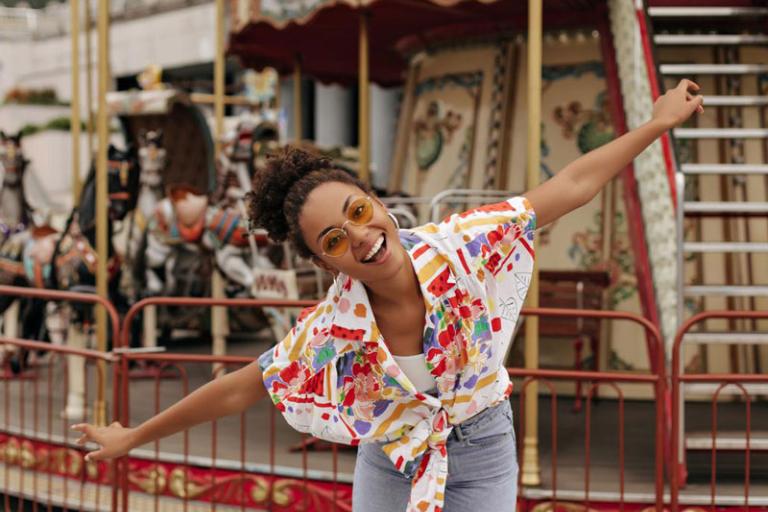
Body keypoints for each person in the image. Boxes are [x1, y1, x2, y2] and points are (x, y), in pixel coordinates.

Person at [72, 79, 704, 512]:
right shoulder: (334, 329)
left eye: (358, 210)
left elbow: (570, 184)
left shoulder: (461, 245)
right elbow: (243, 385)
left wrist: (655, 124)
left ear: (373, 199)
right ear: (323, 260)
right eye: (335, 239)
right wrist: (133, 437)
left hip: (483, 446)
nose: (362, 236)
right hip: (393, 456)